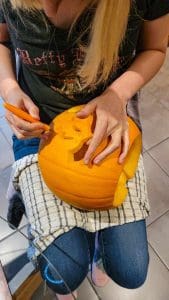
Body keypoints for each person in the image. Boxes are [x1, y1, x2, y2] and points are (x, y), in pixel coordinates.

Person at [0, 0, 169, 299]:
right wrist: (10, 87)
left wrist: (117, 94)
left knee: (130, 270)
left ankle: (95, 249)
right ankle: (40, 216)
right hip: (38, 127)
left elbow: (155, 49)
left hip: (111, 120)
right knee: (63, 273)